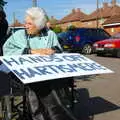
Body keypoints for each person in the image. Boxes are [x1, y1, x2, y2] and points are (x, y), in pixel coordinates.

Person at [3, 7, 76, 120]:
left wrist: (53, 50)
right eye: (25, 22)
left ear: (39, 25)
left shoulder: (50, 34)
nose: (25, 26)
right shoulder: (19, 35)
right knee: (37, 84)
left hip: (48, 74)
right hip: (26, 75)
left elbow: (59, 51)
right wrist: (30, 51)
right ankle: (43, 116)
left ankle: (52, 115)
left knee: (54, 84)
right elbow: (6, 51)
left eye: (29, 23)